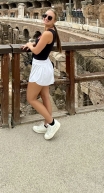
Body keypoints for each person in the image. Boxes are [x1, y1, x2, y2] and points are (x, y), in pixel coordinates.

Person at [21, 8, 62, 140]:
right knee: (44, 96)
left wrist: (29, 44)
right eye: (45, 16)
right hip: (43, 65)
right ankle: (46, 125)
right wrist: (33, 44)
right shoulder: (50, 32)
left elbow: (37, 51)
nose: (46, 18)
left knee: (31, 98)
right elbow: (40, 46)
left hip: (40, 67)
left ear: (54, 20)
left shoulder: (47, 33)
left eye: (49, 17)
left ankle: (52, 123)